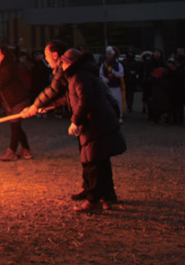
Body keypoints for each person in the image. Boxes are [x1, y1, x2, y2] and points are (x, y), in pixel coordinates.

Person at [24, 49, 126, 212]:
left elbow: (86, 100)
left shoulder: (79, 76)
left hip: (95, 124)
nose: (60, 66)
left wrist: (75, 121)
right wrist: (49, 105)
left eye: (63, 63)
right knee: (100, 162)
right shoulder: (79, 75)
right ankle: (106, 198)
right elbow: (70, 97)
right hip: (98, 122)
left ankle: (94, 201)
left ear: (70, 63)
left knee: (93, 163)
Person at [101, 46, 125, 123]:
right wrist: (106, 80)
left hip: (116, 85)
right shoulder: (104, 65)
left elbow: (121, 74)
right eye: (107, 54)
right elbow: (100, 74)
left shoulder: (118, 64)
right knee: (107, 102)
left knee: (118, 101)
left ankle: (119, 116)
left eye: (110, 54)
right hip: (107, 86)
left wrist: (114, 74)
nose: (109, 55)